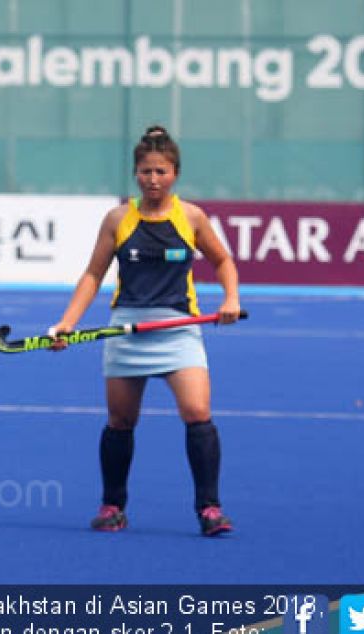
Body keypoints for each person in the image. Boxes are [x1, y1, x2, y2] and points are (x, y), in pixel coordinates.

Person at [49, 125, 241, 537]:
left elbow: (223, 261)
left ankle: (209, 509)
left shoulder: (191, 217)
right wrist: (68, 322)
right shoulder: (119, 218)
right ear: (135, 173)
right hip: (127, 331)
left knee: (198, 414)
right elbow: (93, 273)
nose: (153, 179)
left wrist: (230, 300)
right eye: (146, 171)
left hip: (178, 328)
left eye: (162, 171)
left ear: (175, 173)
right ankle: (112, 506)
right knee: (120, 421)